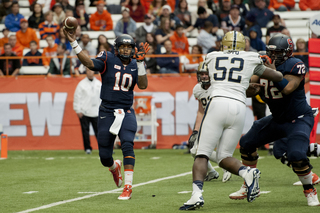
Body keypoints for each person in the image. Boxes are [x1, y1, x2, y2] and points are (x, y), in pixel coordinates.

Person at [179, 31, 283, 210]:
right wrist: (268, 62)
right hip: (239, 107)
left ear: (222, 44)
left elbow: (214, 73)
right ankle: (248, 172)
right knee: (224, 156)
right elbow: (278, 77)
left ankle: (196, 195)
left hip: (218, 102)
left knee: (202, 154)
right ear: (244, 45)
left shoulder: (212, 56)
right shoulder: (251, 57)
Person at [229, 34, 320, 206]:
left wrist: (272, 71)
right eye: (272, 52)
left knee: (296, 154)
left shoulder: (295, 64)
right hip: (277, 119)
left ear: (286, 53)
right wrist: (251, 88)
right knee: (247, 143)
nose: (274, 56)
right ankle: (249, 184)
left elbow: (287, 88)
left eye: (277, 52)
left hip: (298, 118)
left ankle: (310, 190)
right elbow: (248, 89)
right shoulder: (262, 65)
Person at [63, 26, 149, 200]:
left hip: (126, 111)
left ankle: (128, 187)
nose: (126, 50)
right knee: (104, 156)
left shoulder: (136, 63)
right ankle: (113, 167)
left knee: (127, 144)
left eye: (129, 47)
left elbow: (143, 85)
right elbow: (89, 63)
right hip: (107, 111)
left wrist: (140, 64)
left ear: (132, 49)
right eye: (123, 47)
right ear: (117, 49)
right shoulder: (108, 58)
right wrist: (74, 42)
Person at [188, 62, 232, 183]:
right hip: (208, 122)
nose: (204, 76)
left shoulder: (218, 88)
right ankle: (212, 172)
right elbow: (201, 111)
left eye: (206, 74)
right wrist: (196, 130)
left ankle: (227, 166)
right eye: (201, 74)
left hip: (222, 120)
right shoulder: (198, 89)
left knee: (221, 151)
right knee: (194, 150)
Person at [73, 69, 101, 154]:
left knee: (99, 132)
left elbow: (102, 98)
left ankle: (103, 149)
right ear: (86, 72)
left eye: (91, 70)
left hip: (96, 112)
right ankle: (87, 148)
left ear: (94, 72)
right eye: (88, 71)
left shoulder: (98, 84)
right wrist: (78, 109)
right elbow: (77, 97)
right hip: (84, 111)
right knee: (85, 131)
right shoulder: (81, 84)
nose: (90, 72)